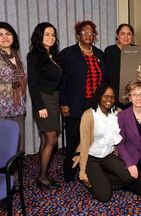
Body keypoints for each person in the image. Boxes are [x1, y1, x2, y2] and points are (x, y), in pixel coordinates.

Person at [59, 20, 106, 183]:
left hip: (96, 105)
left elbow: (104, 81)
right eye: (84, 32)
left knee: (94, 139)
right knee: (74, 139)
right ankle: (69, 171)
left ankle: (90, 169)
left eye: (91, 33)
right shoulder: (67, 54)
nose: (87, 35)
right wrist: (63, 103)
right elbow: (62, 82)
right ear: (78, 35)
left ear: (95, 36)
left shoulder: (100, 54)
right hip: (75, 104)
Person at [71, 83, 134, 202]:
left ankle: (100, 181)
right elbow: (84, 146)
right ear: (99, 96)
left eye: (112, 97)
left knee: (129, 177)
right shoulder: (89, 115)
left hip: (108, 156)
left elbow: (133, 114)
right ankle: (96, 182)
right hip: (91, 158)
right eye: (106, 96)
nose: (109, 99)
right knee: (105, 196)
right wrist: (82, 173)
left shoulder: (118, 112)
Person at [27, 22, 62, 189]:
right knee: (52, 139)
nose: (51, 37)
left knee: (45, 139)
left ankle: (43, 172)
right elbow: (33, 84)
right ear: (39, 36)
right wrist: (40, 107)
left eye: (53, 34)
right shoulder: (34, 55)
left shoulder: (53, 56)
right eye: (47, 34)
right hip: (43, 101)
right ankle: (42, 177)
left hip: (53, 100)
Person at [0, 22, 26, 152]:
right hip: (1, 110)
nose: (5, 37)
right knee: (3, 148)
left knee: (17, 147)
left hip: (18, 108)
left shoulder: (17, 55)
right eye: (0, 35)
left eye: (8, 34)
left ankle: (15, 173)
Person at [105, 23, 135, 101]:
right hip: (117, 95)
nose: (126, 37)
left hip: (135, 94)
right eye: (122, 34)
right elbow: (110, 76)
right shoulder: (110, 51)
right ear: (117, 36)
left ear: (132, 36)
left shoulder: (138, 50)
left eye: (129, 34)